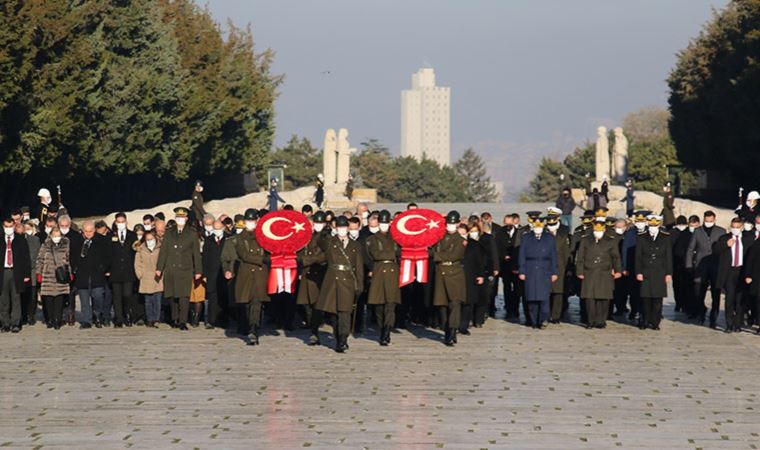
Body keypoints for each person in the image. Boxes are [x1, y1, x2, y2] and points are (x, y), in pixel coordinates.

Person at [315, 215, 364, 353]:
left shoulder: (355, 245)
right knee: (334, 314)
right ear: (336, 228)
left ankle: (343, 339)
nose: (342, 229)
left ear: (348, 228)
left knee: (345, 312)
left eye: (344, 227)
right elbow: (319, 242)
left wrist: (359, 284)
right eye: (340, 227)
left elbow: (359, 266)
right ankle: (338, 337)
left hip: (348, 280)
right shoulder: (331, 242)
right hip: (333, 280)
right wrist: (323, 232)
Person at [156, 207, 202, 331]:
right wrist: (159, 268)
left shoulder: (192, 233)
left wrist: (198, 271)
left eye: (182, 217)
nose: (180, 220)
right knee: (172, 296)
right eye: (178, 217)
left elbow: (196, 254)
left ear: (186, 219)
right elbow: (163, 251)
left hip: (185, 269)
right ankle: (174, 318)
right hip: (171, 268)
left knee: (184, 297)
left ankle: (182, 321)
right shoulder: (169, 232)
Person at [576, 220, 622, 329]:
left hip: (604, 272)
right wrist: (579, 271)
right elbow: (580, 257)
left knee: (603, 298)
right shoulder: (586, 240)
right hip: (589, 272)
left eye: (600, 230)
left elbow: (616, 257)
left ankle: (601, 320)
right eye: (596, 229)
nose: (598, 231)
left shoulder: (610, 241)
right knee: (589, 298)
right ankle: (590, 321)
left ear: (604, 229)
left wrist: (618, 270)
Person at [234, 209, 270, 345]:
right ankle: (249, 325)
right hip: (246, 274)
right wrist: (262, 259)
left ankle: (254, 329)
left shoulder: (263, 236)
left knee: (257, 302)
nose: (251, 223)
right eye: (248, 221)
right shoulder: (240, 237)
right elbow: (244, 255)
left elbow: (270, 249)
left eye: (253, 221)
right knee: (246, 304)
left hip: (260, 274)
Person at [364, 210, 400, 346]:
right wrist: (391, 254)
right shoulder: (371, 239)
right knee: (378, 304)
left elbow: (400, 253)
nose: (384, 225)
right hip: (378, 271)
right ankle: (381, 327)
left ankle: (386, 331)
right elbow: (374, 255)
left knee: (390, 304)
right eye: (382, 222)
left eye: (386, 222)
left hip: (392, 272)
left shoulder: (396, 238)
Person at [685, 210, 725, 327]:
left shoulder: (721, 231)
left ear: (714, 219)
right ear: (703, 220)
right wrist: (689, 264)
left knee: (715, 294)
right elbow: (690, 249)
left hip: (716, 266)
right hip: (700, 267)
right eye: (707, 221)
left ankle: (714, 317)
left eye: (711, 221)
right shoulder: (698, 231)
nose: (708, 222)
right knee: (698, 293)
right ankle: (701, 310)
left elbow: (724, 250)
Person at [518, 216, 558, 329]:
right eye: (536, 225)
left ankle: (543, 319)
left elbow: (553, 256)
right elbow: (522, 255)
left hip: (545, 269)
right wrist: (522, 270)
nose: (538, 227)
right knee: (531, 298)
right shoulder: (526, 237)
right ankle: (534, 321)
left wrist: (554, 272)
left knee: (544, 298)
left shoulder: (549, 238)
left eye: (540, 225)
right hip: (530, 269)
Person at [433, 211, 466, 346]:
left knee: (455, 304)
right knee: (442, 305)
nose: (450, 226)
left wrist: (437, 255)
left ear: (458, 224)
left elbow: (454, 256)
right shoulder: (439, 237)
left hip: (454, 273)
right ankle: (446, 328)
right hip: (441, 272)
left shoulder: (461, 240)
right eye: (448, 224)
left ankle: (452, 331)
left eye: (453, 223)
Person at [714, 217, 753, 332]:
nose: (735, 229)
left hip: (741, 271)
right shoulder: (724, 238)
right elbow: (715, 250)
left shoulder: (747, 240)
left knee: (740, 299)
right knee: (730, 297)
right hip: (729, 271)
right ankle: (729, 324)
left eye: (737, 227)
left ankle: (738, 324)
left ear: (741, 227)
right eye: (733, 227)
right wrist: (726, 245)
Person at [635, 215, 673, 330]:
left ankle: (655, 322)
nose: (652, 227)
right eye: (651, 225)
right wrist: (638, 272)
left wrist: (669, 273)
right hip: (646, 271)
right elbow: (638, 256)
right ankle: (645, 320)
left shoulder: (665, 237)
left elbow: (668, 257)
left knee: (657, 299)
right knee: (646, 298)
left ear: (659, 225)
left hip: (659, 272)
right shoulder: (641, 237)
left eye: (654, 225)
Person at [297, 211, 328, 345]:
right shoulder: (306, 237)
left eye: (320, 223)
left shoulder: (328, 237)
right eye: (316, 223)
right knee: (307, 303)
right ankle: (313, 326)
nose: (318, 225)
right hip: (307, 272)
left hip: (321, 272)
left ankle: (315, 330)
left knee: (318, 304)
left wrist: (306, 260)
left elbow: (324, 255)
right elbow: (299, 252)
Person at [71, 221, 110, 327]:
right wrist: (74, 268)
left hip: (97, 275)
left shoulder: (102, 240)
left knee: (98, 297)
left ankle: (97, 315)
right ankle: (87, 320)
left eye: (91, 231)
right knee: (84, 301)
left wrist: (103, 268)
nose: (88, 233)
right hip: (82, 275)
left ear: (94, 230)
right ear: (82, 231)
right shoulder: (77, 241)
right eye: (86, 231)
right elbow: (72, 256)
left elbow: (108, 256)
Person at [35, 227, 71, 330]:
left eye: (58, 235)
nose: (56, 237)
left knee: (59, 300)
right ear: (50, 236)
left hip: (61, 276)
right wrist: (39, 273)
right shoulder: (45, 245)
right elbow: (40, 259)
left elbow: (68, 259)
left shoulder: (65, 244)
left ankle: (57, 320)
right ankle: (50, 319)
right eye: (54, 235)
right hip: (48, 276)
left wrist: (69, 271)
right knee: (48, 300)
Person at [0, 218, 31, 332]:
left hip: (16, 272)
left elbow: (26, 258)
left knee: (16, 298)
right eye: (6, 226)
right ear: (3, 227)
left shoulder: (20, 240)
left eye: (10, 226)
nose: (8, 229)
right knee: (3, 299)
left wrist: (26, 274)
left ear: (14, 226)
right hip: (3, 272)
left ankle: (15, 323)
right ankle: (5, 323)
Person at [460, 223, 490, 334]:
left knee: (468, 301)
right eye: (460, 234)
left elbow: (480, 262)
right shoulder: (453, 243)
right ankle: (454, 324)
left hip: (470, 275)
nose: (462, 236)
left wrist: (480, 275)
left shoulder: (475, 245)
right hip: (456, 276)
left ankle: (464, 325)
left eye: (464, 234)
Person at [110, 212, 138, 327]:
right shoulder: (111, 235)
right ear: (116, 223)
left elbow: (135, 251)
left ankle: (128, 315)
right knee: (116, 297)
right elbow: (108, 253)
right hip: (115, 271)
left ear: (126, 222)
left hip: (128, 271)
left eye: (123, 221)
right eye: (119, 222)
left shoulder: (132, 235)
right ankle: (118, 319)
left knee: (127, 295)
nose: (121, 224)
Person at [135, 230, 163, 328]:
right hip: (146, 278)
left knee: (157, 300)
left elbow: (163, 260)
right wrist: (140, 274)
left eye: (151, 239)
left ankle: (156, 319)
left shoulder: (160, 248)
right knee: (148, 301)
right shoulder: (141, 249)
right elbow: (137, 263)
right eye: (148, 239)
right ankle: (150, 319)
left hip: (158, 278)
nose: (150, 241)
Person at [201, 220, 226, 329]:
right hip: (211, 273)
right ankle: (211, 320)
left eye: (219, 229)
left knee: (224, 297)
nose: (217, 231)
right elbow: (205, 258)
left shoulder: (228, 239)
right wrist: (204, 274)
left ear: (223, 228)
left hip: (224, 272)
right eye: (215, 229)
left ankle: (223, 320)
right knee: (212, 297)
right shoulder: (209, 240)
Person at [546, 214, 570, 323]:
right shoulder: (543, 234)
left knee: (558, 292)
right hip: (545, 267)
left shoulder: (563, 236)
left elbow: (566, 253)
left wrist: (567, 267)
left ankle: (556, 315)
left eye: (553, 223)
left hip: (560, 266)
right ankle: (547, 313)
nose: (551, 226)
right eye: (549, 223)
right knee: (546, 292)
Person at [495, 214, 519, 320]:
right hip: (505, 265)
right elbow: (497, 246)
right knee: (507, 287)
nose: (507, 224)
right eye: (506, 222)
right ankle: (509, 308)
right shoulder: (500, 232)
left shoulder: (520, 232)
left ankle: (516, 308)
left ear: (514, 221)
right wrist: (504, 255)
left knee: (517, 288)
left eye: (510, 222)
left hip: (516, 264)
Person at [21, 221, 41, 326]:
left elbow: (36, 255)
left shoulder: (35, 240)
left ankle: (30, 315)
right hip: (20, 272)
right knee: (22, 295)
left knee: (32, 295)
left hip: (32, 271)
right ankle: (23, 315)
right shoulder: (18, 239)